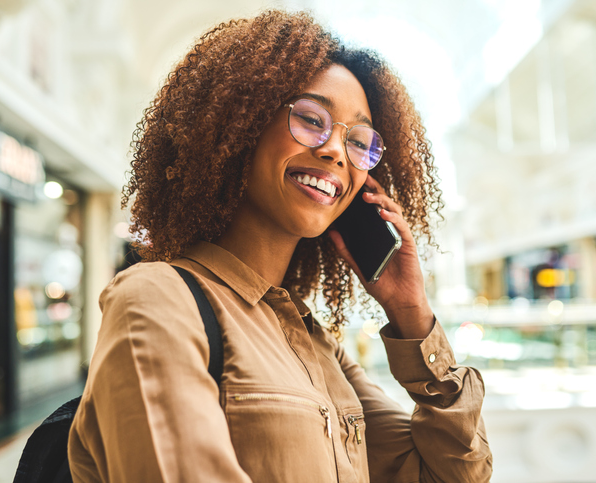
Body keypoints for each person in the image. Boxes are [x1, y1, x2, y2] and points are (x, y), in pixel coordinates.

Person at [68, 10, 492, 483]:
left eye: (359, 141)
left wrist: (411, 312)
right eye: (312, 119)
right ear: (238, 126)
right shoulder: (156, 299)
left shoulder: (316, 345)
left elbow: (453, 475)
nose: (335, 151)